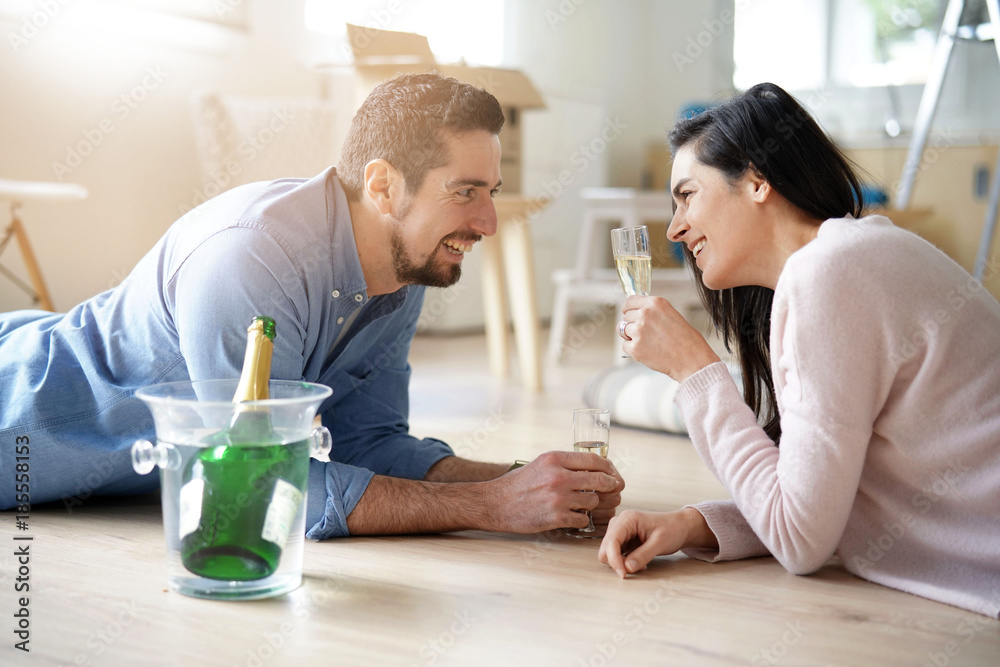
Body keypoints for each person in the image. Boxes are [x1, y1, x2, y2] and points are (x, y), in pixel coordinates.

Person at [0, 72, 623, 538]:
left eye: (491, 192)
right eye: (464, 192)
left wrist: (529, 482)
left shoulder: (402, 270)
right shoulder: (250, 258)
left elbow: (369, 441)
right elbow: (254, 488)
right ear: (382, 186)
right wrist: (493, 507)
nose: (488, 221)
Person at [597, 82, 1000, 618]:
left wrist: (695, 371)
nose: (673, 228)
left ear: (758, 180)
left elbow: (801, 542)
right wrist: (695, 525)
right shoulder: (844, 257)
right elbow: (819, 495)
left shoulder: (830, 273)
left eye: (687, 195)